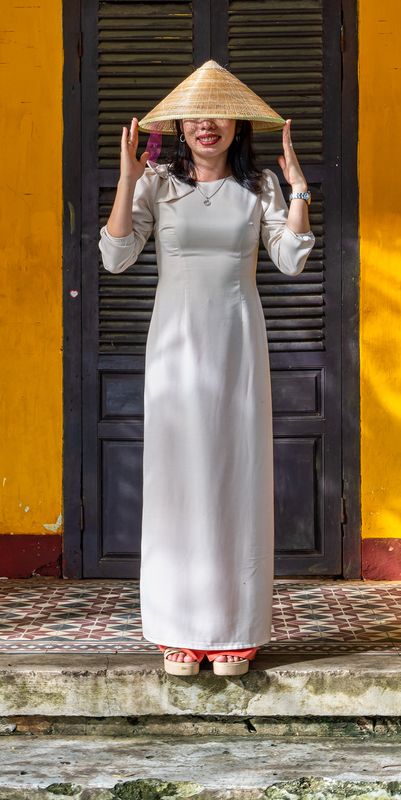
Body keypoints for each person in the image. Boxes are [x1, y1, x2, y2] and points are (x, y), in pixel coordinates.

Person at [99, 61, 314, 677]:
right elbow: (115, 255)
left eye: (218, 114)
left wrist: (298, 188)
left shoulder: (260, 188)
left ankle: (234, 631)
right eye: (196, 116)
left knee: (234, 478)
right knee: (177, 482)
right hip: (174, 349)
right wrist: (126, 177)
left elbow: (292, 259)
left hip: (238, 347)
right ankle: (180, 630)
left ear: (238, 124)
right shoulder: (156, 184)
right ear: (181, 125)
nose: (206, 125)